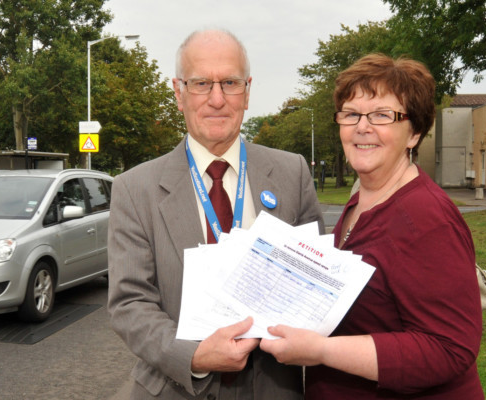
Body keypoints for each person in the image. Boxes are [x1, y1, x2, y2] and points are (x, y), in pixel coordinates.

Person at [107, 29, 324, 399]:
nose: (217, 99)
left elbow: (314, 285)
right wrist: (194, 355)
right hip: (175, 387)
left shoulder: (293, 173)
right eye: (201, 83)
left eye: (230, 82)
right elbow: (130, 304)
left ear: (248, 91)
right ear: (179, 92)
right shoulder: (134, 188)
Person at [260, 54, 484, 399]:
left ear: (415, 133)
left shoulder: (427, 218)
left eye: (382, 115)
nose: (362, 127)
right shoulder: (362, 199)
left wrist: (321, 351)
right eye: (351, 114)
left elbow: (449, 349)